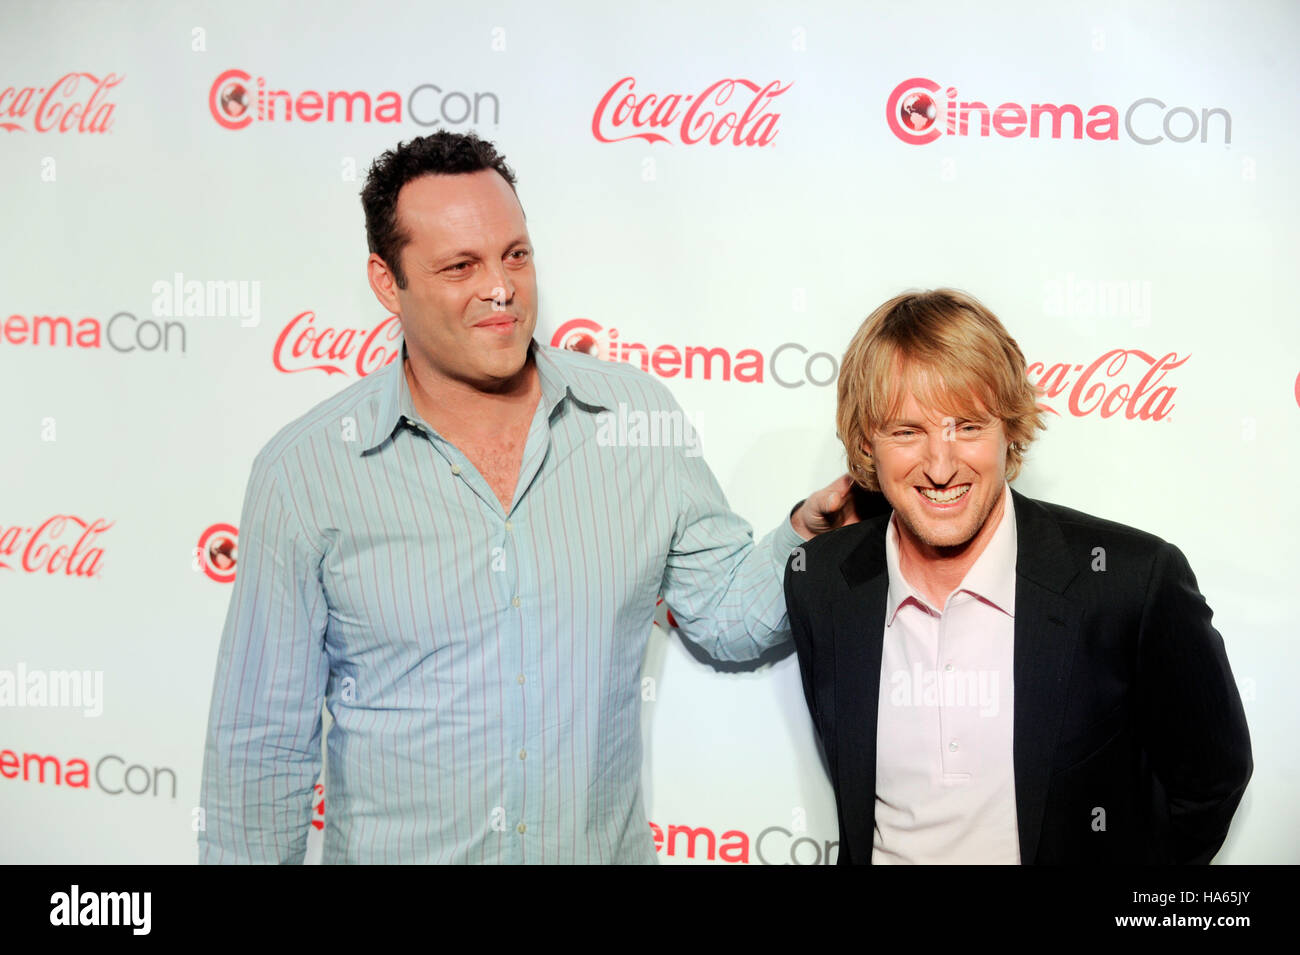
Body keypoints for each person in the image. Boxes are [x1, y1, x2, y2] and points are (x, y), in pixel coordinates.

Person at [199, 131, 856, 864]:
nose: (502, 287)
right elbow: (260, 749)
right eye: (460, 266)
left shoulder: (635, 421)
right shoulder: (306, 472)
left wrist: (808, 533)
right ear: (387, 283)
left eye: (516, 254)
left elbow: (727, 617)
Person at [785, 288, 1252, 864]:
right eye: (907, 431)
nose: (940, 465)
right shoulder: (821, 582)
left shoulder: (1129, 581)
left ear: (1009, 427)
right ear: (865, 443)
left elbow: (1211, 779)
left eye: (968, 427)